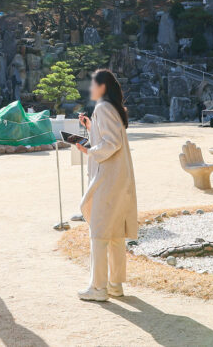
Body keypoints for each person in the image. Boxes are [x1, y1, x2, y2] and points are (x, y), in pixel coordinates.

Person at [74, 69, 138, 302]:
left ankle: (98, 287)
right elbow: (108, 138)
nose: (90, 88)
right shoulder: (112, 108)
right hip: (118, 178)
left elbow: (110, 143)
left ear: (102, 86)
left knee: (100, 232)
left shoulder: (103, 107)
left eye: (93, 84)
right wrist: (90, 128)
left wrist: (89, 150)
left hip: (107, 179)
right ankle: (114, 284)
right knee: (114, 234)